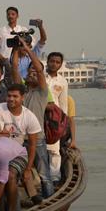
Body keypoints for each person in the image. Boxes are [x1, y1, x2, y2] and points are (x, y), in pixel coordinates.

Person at [11, 40, 54, 198]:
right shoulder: (21, 90)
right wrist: (16, 48)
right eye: (30, 71)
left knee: (44, 176)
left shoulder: (42, 91)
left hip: (38, 139)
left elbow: (40, 71)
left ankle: (49, 200)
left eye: (35, 72)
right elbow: (14, 67)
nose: (32, 73)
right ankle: (31, 198)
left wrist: (28, 50)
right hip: (20, 139)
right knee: (18, 172)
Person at [0, 84, 45, 203]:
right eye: (9, 96)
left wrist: (28, 169)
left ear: (22, 98)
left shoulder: (29, 116)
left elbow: (32, 145)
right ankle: (17, 203)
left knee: (12, 173)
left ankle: (27, 197)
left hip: (18, 153)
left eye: (15, 96)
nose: (11, 99)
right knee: (7, 173)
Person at [45, 51, 69, 180]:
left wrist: (64, 125)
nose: (54, 64)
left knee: (54, 150)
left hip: (54, 119)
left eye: (57, 62)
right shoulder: (40, 76)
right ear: (47, 62)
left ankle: (54, 178)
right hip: (39, 115)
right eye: (52, 61)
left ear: (60, 65)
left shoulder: (63, 82)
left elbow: (63, 104)